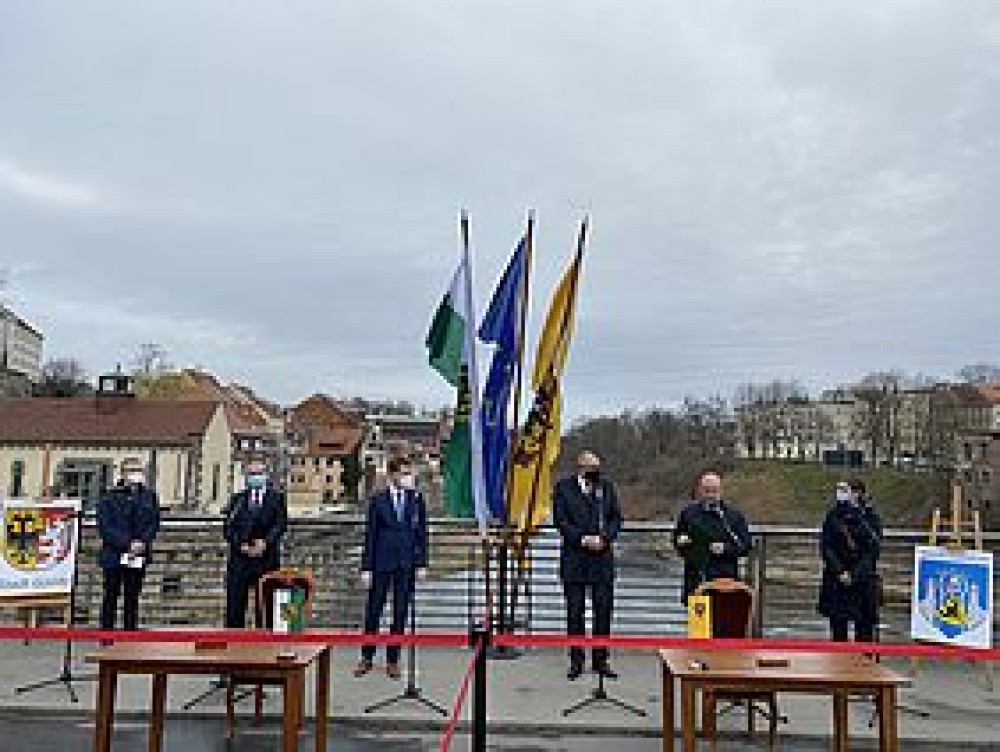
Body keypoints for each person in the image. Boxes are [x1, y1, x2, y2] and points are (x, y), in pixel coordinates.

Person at [355, 456, 428, 679]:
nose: (408, 478)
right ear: (392, 475)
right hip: (381, 562)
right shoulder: (378, 500)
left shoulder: (416, 500)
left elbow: (422, 534)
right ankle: (366, 657)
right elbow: (371, 536)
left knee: (400, 613)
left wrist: (422, 562)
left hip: (406, 563)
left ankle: (393, 660)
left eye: (410, 473)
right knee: (373, 612)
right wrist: (366, 568)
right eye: (404, 473)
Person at [553, 451, 623, 681]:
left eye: (598, 467)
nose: (596, 471)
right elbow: (561, 521)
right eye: (592, 467)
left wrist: (604, 539)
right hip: (575, 560)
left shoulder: (606, 488)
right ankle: (576, 661)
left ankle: (601, 660)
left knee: (603, 613)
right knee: (575, 614)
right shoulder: (564, 488)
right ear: (581, 468)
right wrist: (583, 539)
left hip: (602, 561)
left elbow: (616, 518)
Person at [97, 456, 161, 630]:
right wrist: (127, 543)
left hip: (138, 554)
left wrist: (143, 542)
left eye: (138, 470)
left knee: (132, 596)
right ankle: (107, 634)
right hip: (114, 554)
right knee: (111, 595)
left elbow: (153, 522)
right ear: (122, 473)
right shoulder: (109, 497)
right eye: (131, 470)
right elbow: (105, 526)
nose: (135, 474)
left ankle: (129, 634)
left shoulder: (149, 497)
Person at [223, 458, 287, 628]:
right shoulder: (237, 500)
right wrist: (240, 545)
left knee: (265, 607)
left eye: (259, 473)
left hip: (266, 560)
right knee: (235, 607)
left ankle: (264, 644)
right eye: (252, 474)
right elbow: (228, 528)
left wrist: (265, 542)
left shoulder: (276, 498)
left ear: (266, 476)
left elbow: (280, 525)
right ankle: (233, 643)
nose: (255, 477)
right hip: (240, 561)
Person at [673, 470, 753, 604]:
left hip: (725, 584)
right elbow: (678, 540)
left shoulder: (733, 516)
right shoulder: (688, 514)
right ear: (699, 490)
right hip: (696, 582)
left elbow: (745, 546)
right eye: (706, 490)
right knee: (698, 625)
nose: (710, 495)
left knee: (723, 624)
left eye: (714, 491)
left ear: (721, 491)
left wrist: (724, 549)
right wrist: (685, 544)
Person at [817, 479, 881, 642]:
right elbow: (826, 546)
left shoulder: (870, 517)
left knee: (864, 631)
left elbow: (872, 550)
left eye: (848, 491)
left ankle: (864, 666)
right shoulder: (833, 515)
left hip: (862, 581)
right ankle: (839, 664)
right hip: (837, 579)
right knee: (838, 631)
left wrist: (855, 574)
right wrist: (839, 571)